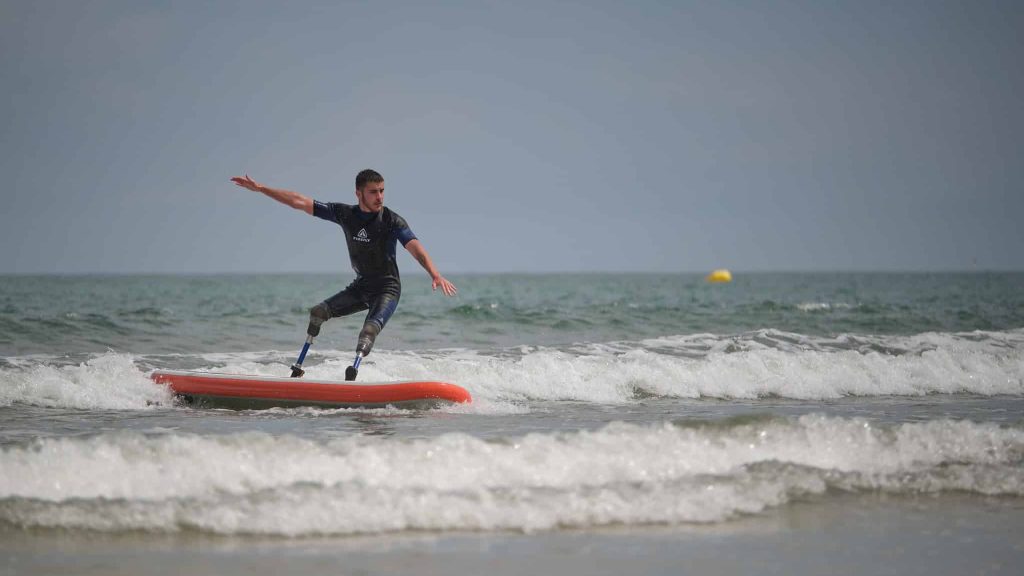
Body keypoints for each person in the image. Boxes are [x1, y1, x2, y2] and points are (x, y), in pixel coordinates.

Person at [230, 169, 457, 380]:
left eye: (382, 191)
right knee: (318, 312)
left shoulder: (391, 220)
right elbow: (299, 201)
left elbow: (414, 246)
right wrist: (261, 189)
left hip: (387, 290)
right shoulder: (345, 214)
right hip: (360, 287)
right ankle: (298, 370)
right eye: (373, 192)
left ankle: (351, 379)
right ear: (359, 193)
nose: (380, 196)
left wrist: (434, 274)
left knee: (368, 332)